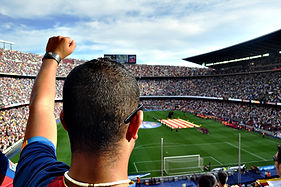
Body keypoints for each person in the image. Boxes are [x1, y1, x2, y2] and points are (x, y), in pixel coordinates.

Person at [14, 36, 143, 186]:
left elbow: (41, 106)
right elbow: (40, 106)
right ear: (135, 123)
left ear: (64, 121)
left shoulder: (34, 174)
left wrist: (52, 56)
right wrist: (52, 56)